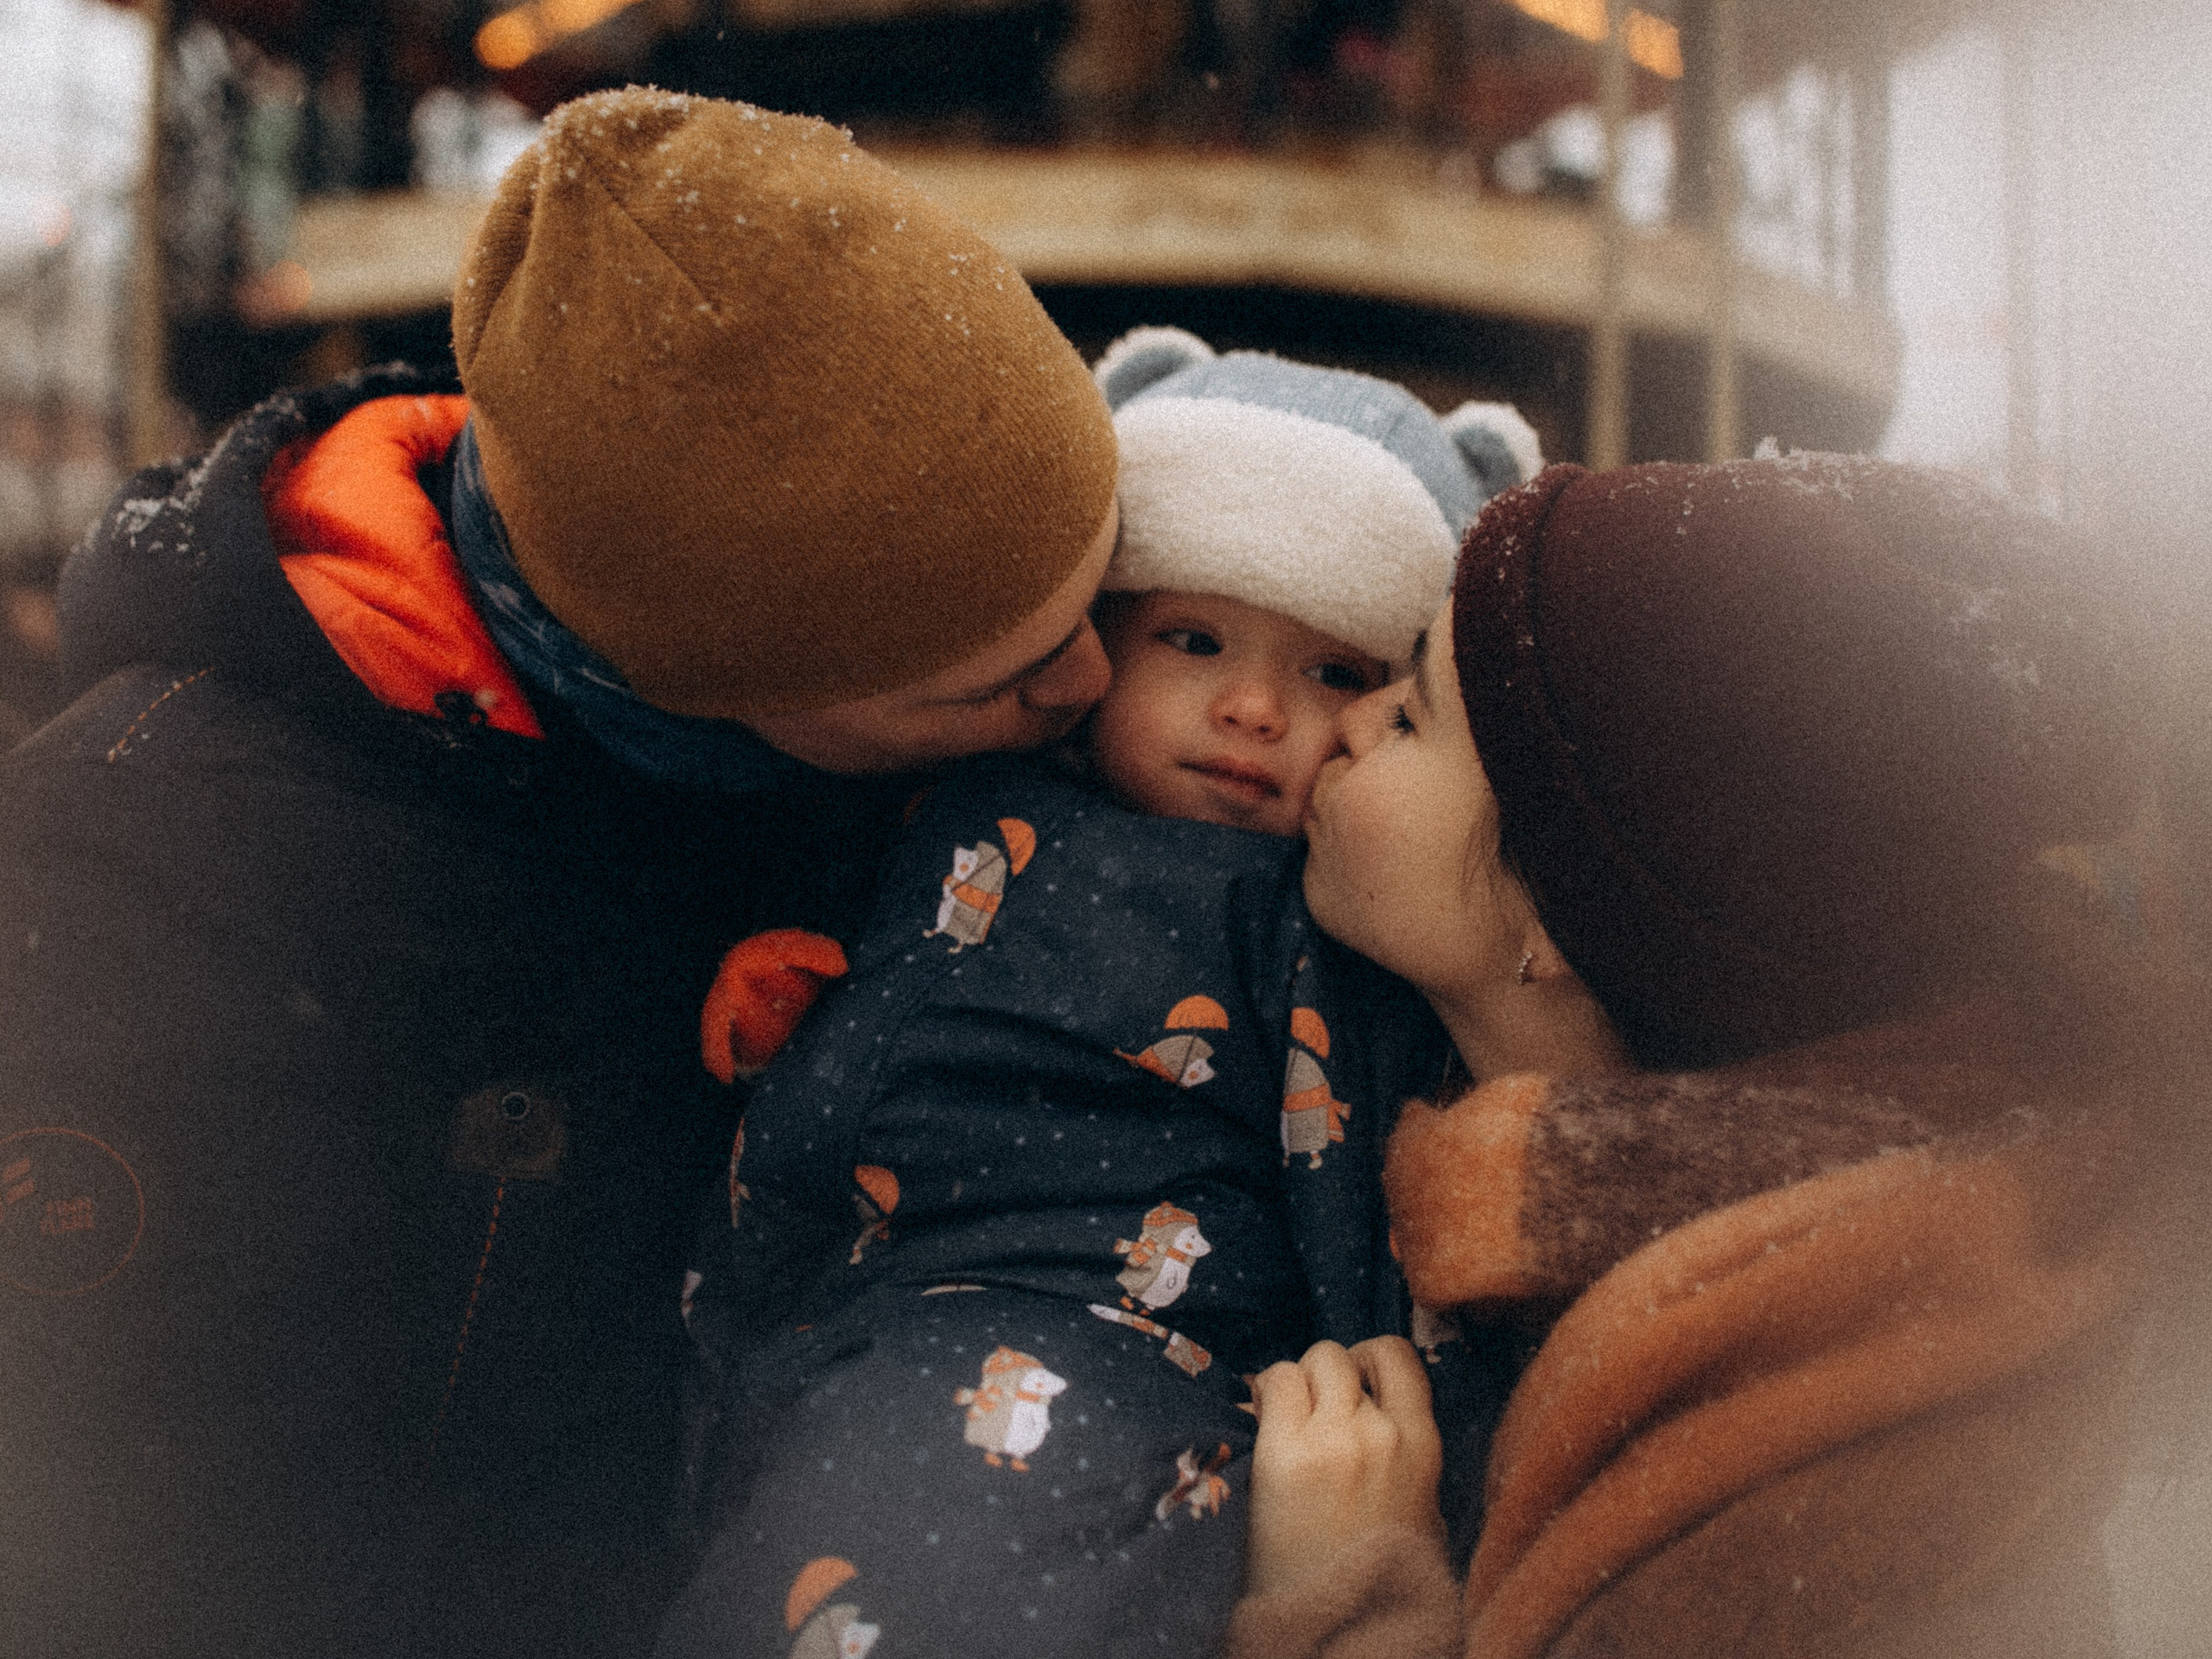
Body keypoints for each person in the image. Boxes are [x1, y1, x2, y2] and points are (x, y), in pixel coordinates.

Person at [0, 88, 1121, 1658]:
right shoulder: (149, 877)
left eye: (1098, 590)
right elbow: (153, 1552)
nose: (1088, 687)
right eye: (987, 678)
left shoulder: (830, 746)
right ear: (699, 672)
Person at [656, 329, 1539, 1659]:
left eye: (1333, 675)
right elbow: (863, 986)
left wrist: (1376, 1382)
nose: (1250, 708)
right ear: (1095, 645)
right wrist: (788, 996)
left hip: (1156, 1365)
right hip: (869, 1313)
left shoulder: (1317, 908)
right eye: (1193, 640)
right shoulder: (954, 789)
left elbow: (1339, 1150)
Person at [1237, 453, 2207, 1658]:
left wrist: (1356, 1609)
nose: (1351, 716)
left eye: (1416, 714)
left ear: (1563, 914)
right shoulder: (1693, 1228)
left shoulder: (1846, 1465)